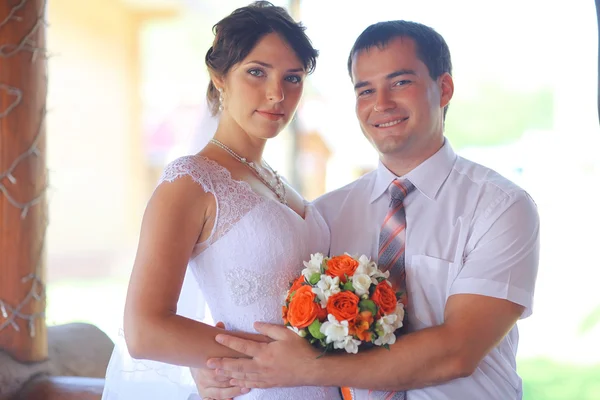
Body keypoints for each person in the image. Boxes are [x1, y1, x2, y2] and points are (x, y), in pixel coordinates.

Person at [195, 20, 540, 400]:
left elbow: (457, 352)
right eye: (365, 90)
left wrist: (309, 368)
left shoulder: (501, 208)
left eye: (400, 83)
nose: (382, 104)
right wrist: (212, 367)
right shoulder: (326, 215)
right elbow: (270, 312)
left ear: (444, 89)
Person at [101, 2, 342, 399]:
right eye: (256, 72)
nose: (276, 93)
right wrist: (271, 361)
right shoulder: (192, 182)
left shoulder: (284, 187)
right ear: (219, 78)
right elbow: (145, 330)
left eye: (293, 78)